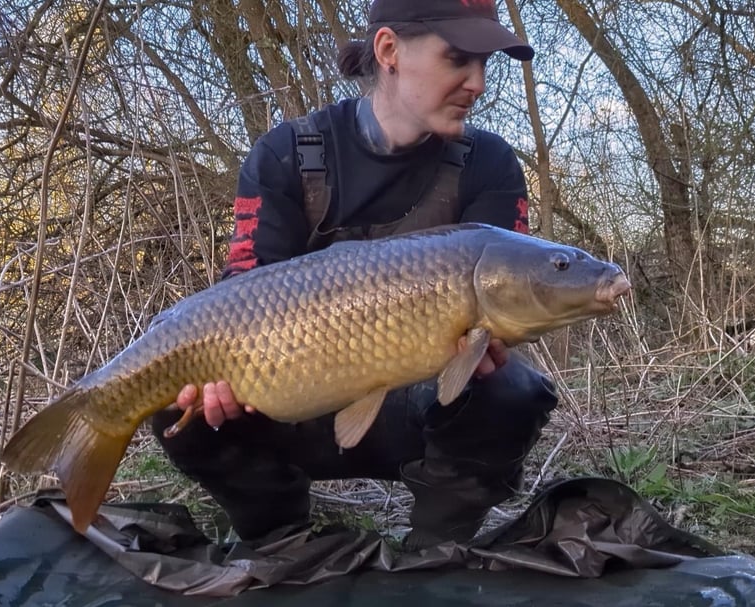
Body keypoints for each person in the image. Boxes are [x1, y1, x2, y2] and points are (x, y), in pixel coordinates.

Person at [149, 0, 559, 550]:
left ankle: (435, 548)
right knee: (176, 400)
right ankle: (277, 535)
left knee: (511, 391)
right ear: (389, 50)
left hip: (422, 408)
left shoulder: (488, 164)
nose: (478, 83)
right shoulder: (287, 154)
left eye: (485, 63)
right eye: (459, 58)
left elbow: (507, 302)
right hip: (291, 398)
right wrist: (219, 379)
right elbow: (241, 299)